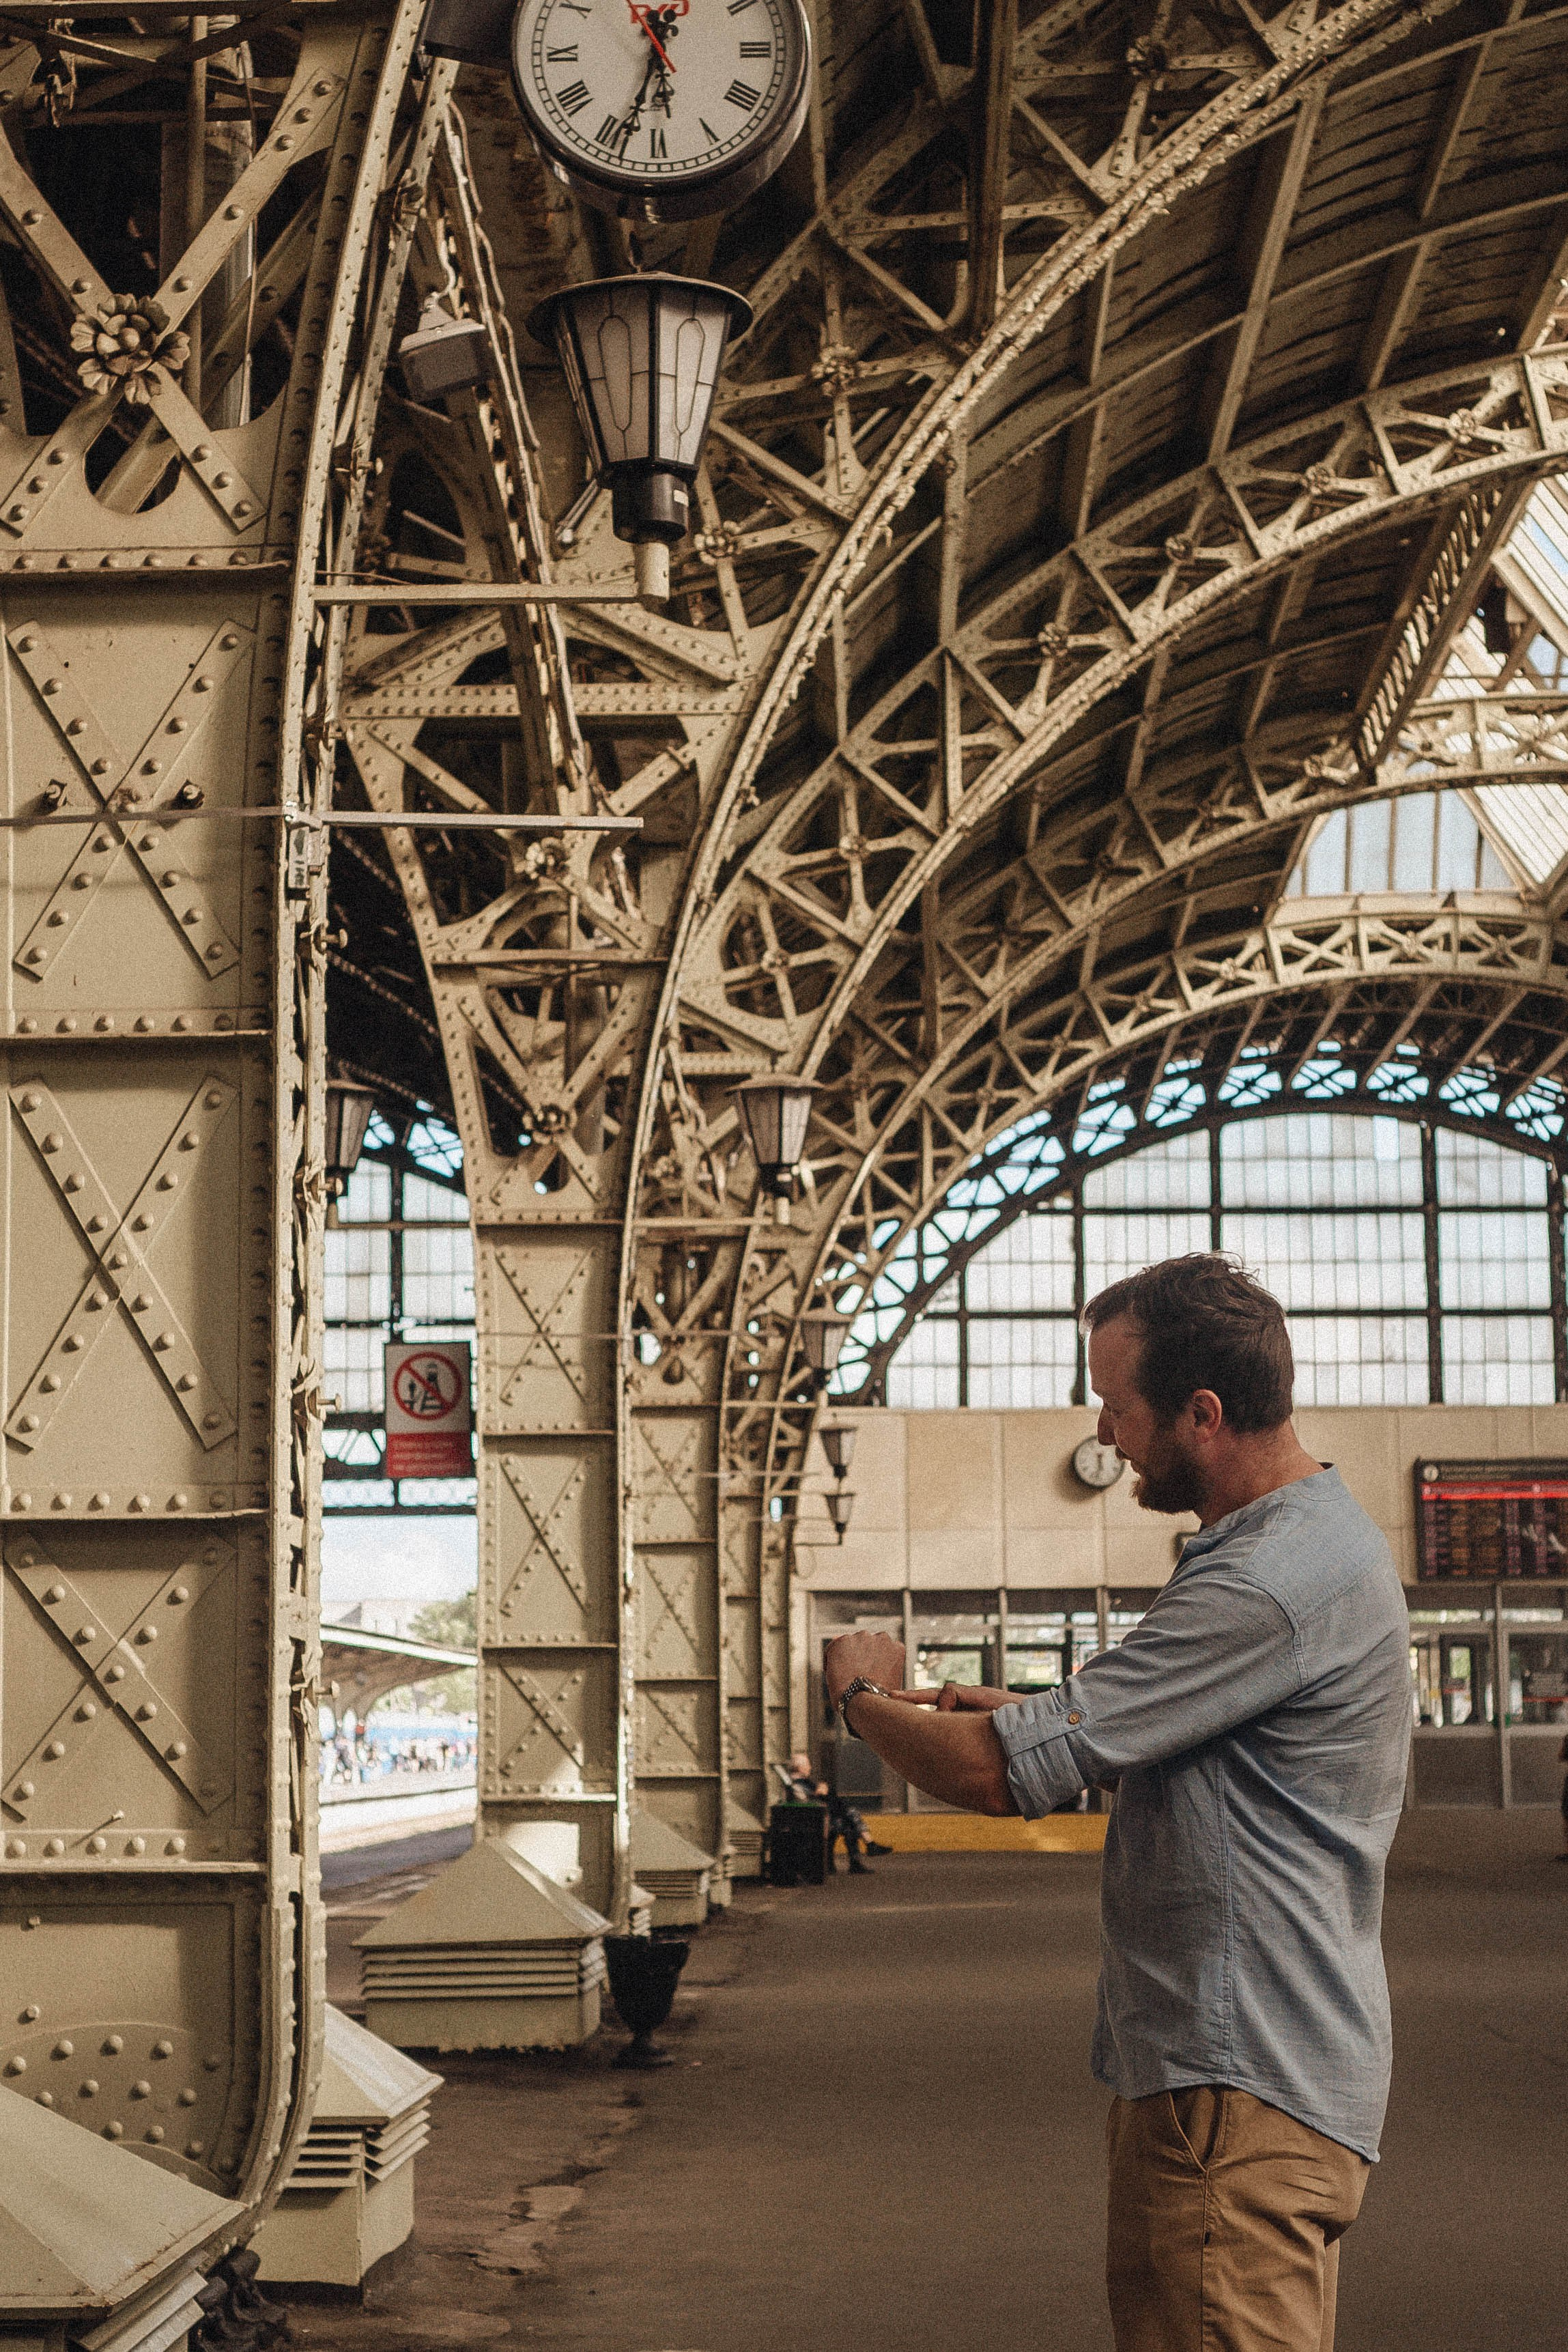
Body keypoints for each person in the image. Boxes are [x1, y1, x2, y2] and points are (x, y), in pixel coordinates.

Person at [823, 1253, 1412, 2352]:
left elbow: (995, 1774)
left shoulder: (1265, 1580)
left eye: (1117, 1403)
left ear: (1203, 1414)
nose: (1104, 1432)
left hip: (1234, 2091)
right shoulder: (1297, 1546)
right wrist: (1025, 1709)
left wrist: (857, 1695)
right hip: (1251, 2077)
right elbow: (1191, 1748)